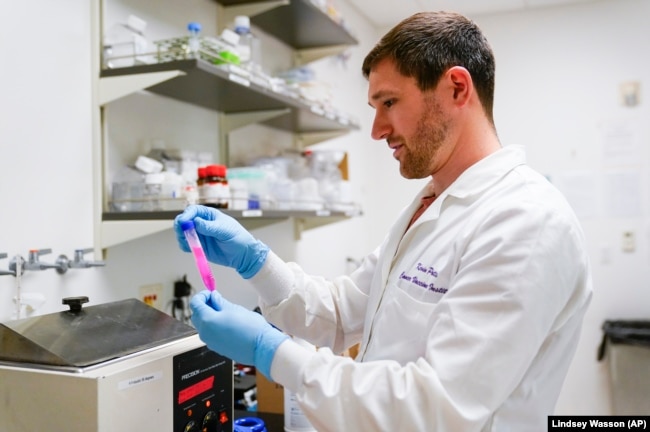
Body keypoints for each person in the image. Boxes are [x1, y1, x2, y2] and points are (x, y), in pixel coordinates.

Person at [175, 11, 592, 431]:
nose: (377, 130)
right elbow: (340, 314)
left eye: (389, 102)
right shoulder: (431, 206)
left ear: (457, 88)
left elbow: (436, 408)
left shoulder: (526, 222)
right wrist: (256, 263)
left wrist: (271, 351)